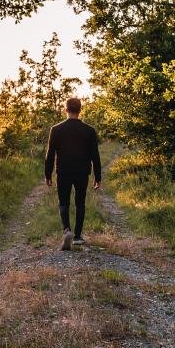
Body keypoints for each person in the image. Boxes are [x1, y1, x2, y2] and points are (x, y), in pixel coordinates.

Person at [45, 97, 101, 250]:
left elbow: (50, 154)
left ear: (66, 109)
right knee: (80, 202)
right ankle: (77, 236)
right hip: (82, 171)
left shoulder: (56, 129)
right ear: (80, 110)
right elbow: (95, 155)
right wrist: (98, 177)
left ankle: (66, 230)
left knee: (63, 202)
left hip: (63, 170)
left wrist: (48, 174)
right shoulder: (89, 131)